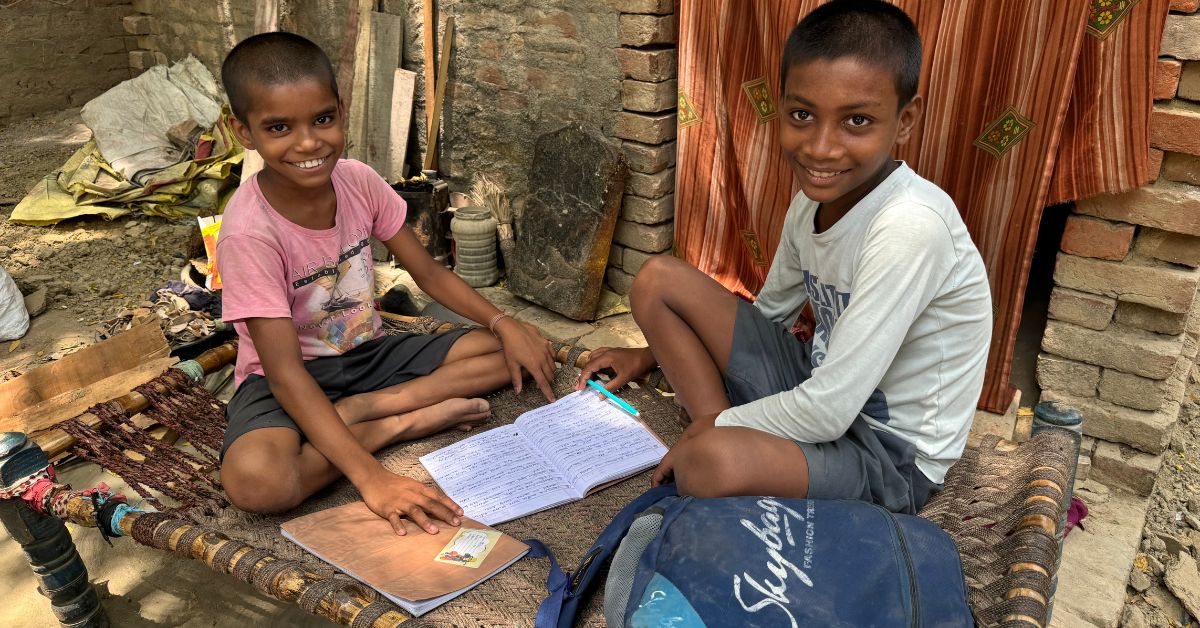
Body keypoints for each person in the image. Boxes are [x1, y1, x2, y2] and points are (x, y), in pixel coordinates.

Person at [577, 0, 991, 515]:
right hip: (821, 386)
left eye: (856, 121)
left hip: (889, 454)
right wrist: (651, 357)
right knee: (658, 279)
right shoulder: (811, 202)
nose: (820, 148)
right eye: (802, 115)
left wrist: (721, 430)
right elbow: (769, 315)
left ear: (905, 120)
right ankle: (713, 423)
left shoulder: (910, 226)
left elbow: (829, 413)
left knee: (709, 463)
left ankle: (712, 432)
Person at [216, 32, 557, 534]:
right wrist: (372, 478)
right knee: (257, 483)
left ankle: (367, 409)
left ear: (341, 109)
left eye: (323, 119)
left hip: (368, 355)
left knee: (507, 351)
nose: (309, 142)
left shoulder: (358, 181)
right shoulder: (249, 233)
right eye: (279, 127)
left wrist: (505, 322)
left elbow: (429, 272)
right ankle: (398, 423)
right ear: (242, 131)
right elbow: (286, 373)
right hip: (283, 379)